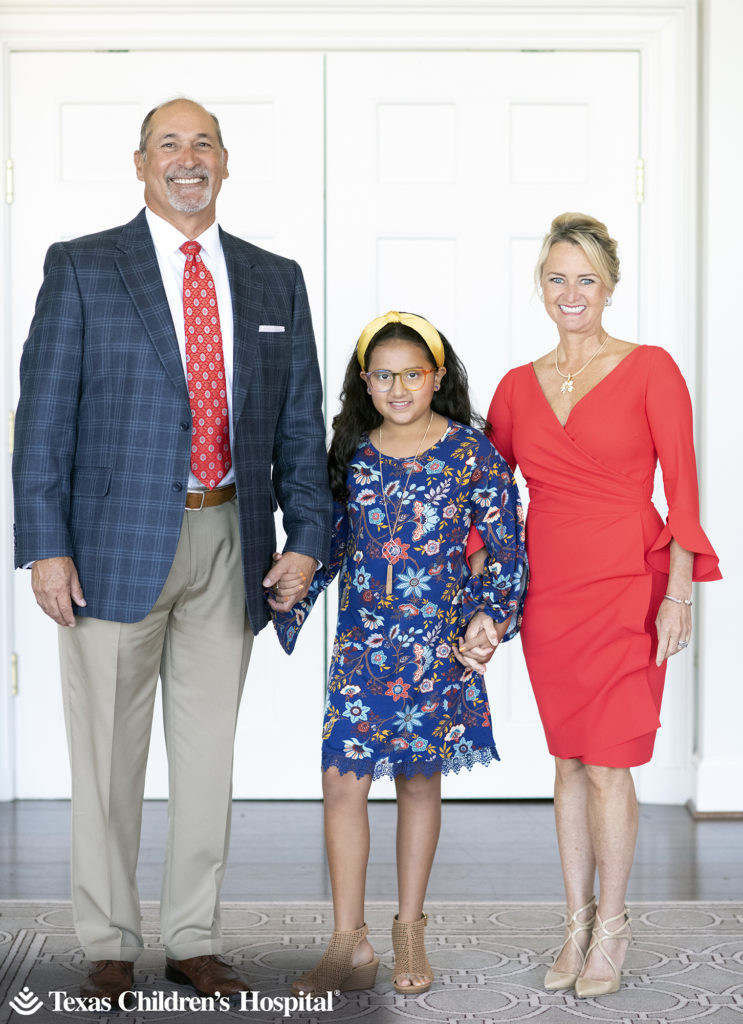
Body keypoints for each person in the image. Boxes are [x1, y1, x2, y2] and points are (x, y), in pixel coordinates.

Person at [11, 98, 332, 1002]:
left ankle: (194, 935)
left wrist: (306, 537)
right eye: (168, 146)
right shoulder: (81, 268)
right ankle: (109, 938)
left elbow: (300, 427)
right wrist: (45, 545)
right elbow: (42, 419)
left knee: (207, 759)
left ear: (224, 163)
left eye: (203, 145)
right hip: (108, 548)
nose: (186, 160)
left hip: (232, 538)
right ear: (140, 164)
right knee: (106, 760)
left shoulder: (275, 280)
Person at [463, 213, 721, 998]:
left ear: (609, 288)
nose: (570, 293)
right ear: (539, 286)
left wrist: (678, 594)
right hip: (550, 595)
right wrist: (484, 591)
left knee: (609, 763)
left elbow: (681, 490)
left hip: (628, 585)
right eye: (556, 278)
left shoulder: (650, 369)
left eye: (585, 279)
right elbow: (487, 499)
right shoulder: (514, 386)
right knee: (569, 760)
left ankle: (611, 927)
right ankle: (574, 924)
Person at [271, 311, 527, 997]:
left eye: (411, 373)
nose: (398, 386)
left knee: (418, 782)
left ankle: (408, 928)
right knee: (340, 783)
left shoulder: (471, 454)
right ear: (365, 382)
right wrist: (288, 587)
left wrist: (490, 616)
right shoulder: (353, 452)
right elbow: (330, 544)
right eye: (382, 375)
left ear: (436, 377)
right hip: (363, 645)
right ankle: (346, 941)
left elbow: (504, 547)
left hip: (434, 649)